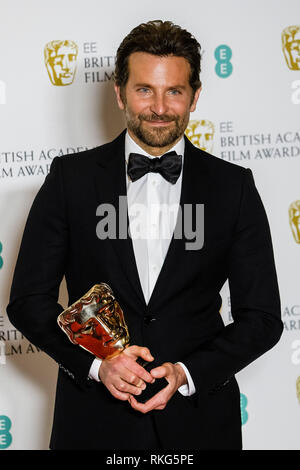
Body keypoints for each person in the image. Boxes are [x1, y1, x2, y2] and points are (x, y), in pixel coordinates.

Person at [7, 20, 283, 450]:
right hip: (93, 424)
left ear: (195, 96)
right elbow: (28, 302)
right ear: (119, 92)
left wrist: (187, 373)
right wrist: (100, 365)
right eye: (144, 90)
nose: (159, 107)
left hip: (201, 424)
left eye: (173, 90)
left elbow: (262, 319)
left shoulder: (234, 188)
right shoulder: (70, 180)